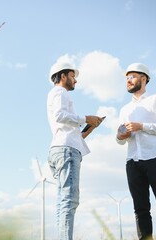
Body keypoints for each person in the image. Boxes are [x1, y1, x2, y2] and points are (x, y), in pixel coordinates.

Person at [116, 63, 156, 240]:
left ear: (143, 78)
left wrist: (141, 126)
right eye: (126, 78)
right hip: (132, 162)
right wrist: (121, 136)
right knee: (140, 209)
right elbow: (120, 140)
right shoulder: (124, 109)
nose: (128, 81)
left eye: (132, 77)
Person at [47, 62, 103, 240]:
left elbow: (70, 131)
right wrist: (85, 118)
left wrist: (90, 127)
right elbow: (60, 116)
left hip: (62, 148)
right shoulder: (60, 92)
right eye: (73, 76)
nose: (75, 80)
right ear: (63, 76)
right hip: (66, 151)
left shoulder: (58, 94)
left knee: (64, 201)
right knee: (69, 201)